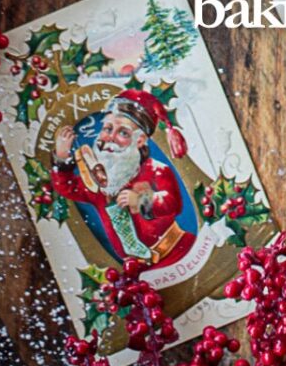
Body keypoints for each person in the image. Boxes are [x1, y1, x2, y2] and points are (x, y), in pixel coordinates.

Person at [51, 89, 192, 266]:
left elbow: (174, 203)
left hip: (176, 252)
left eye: (123, 133)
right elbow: (67, 187)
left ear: (139, 141)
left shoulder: (155, 170)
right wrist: (62, 156)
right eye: (108, 129)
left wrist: (142, 200)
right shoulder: (99, 183)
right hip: (136, 267)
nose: (110, 138)